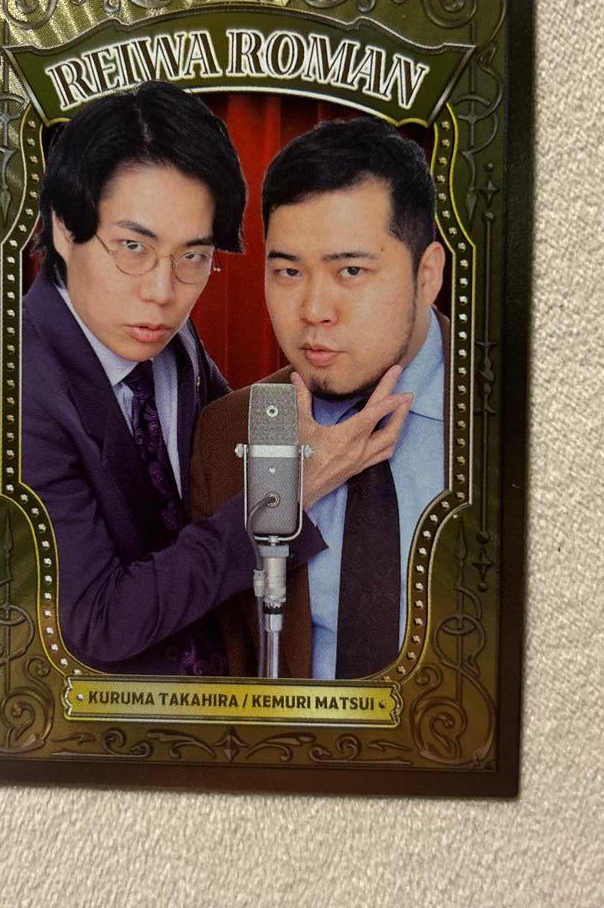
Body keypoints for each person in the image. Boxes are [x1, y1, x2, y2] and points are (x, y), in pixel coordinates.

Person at [22, 83, 408, 676]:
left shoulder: (165, 335)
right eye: (132, 247)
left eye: (193, 256)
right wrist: (285, 495)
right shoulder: (20, 388)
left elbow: (222, 450)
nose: (163, 292)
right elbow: (98, 622)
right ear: (64, 230)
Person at [191, 116, 448, 680]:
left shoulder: (503, 419)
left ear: (427, 275)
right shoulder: (227, 433)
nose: (313, 310)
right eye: (288, 271)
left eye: (350, 270)